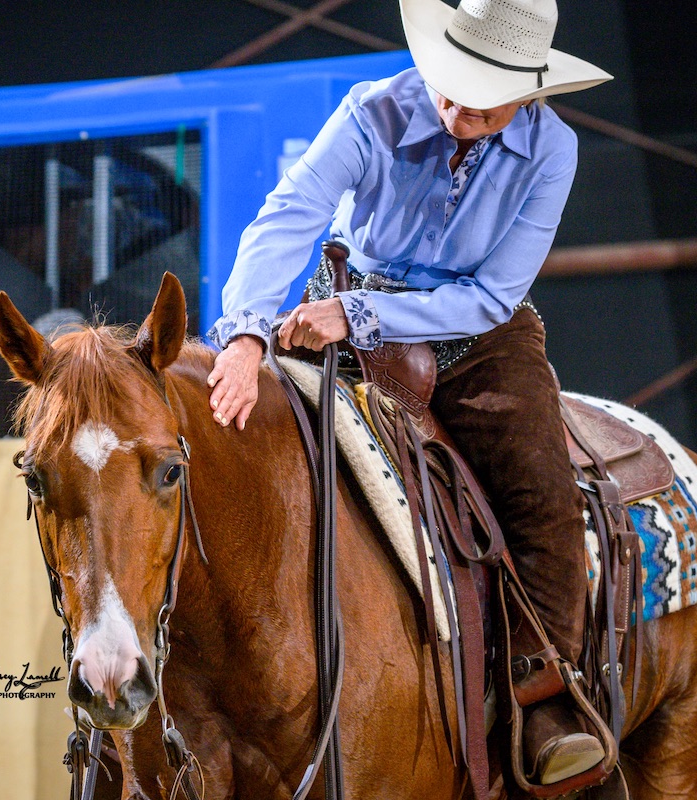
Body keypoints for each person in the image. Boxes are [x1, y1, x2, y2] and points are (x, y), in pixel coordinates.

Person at [205, 0, 614, 787]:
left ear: (529, 93)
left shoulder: (553, 151)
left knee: (541, 497)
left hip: (474, 339)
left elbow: (495, 295)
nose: (457, 112)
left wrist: (359, 314)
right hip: (346, 315)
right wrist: (248, 329)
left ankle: (546, 693)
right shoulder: (373, 110)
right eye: (447, 90)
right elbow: (291, 213)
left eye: (482, 101)